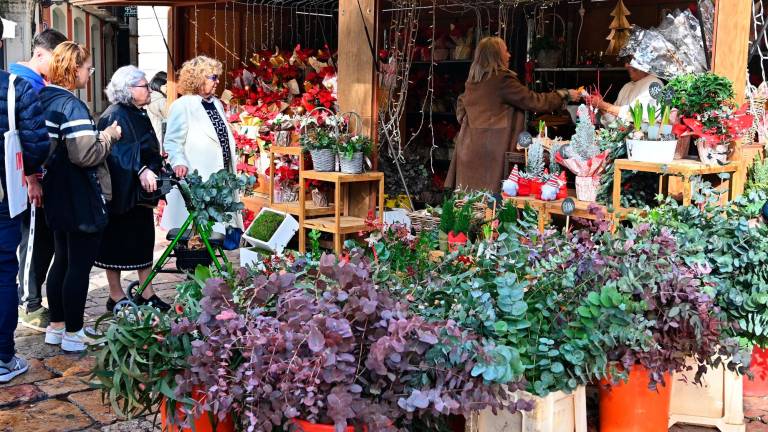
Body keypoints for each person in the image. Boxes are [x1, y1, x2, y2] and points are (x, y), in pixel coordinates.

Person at [38, 42, 122, 352]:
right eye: (88, 67)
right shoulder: (71, 105)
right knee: (79, 265)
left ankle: (57, 326)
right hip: (79, 194)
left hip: (55, 190)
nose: (90, 72)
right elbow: (85, 154)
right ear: (76, 69)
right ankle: (74, 333)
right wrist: (108, 136)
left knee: (61, 258)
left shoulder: (43, 98)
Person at [445, 36, 579, 193]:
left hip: (469, 151)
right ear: (496, 55)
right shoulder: (502, 80)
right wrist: (564, 94)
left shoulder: (473, 81)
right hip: (492, 155)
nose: (509, 55)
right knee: (493, 206)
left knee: (470, 207)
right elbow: (534, 101)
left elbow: (461, 106)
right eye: (506, 51)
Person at [0, 19, 51, 382]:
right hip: (3, 194)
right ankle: (3, 358)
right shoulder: (14, 88)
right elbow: (35, 148)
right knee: (4, 270)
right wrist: (30, 171)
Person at [95, 66, 169, 313]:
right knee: (114, 245)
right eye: (144, 86)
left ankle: (146, 292)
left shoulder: (139, 112)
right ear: (128, 90)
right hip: (121, 194)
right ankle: (115, 295)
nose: (149, 89)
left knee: (143, 241)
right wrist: (140, 169)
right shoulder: (114, 114)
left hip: (140, 195)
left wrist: (155, 165)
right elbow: (113, 154)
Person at [10, 29, 68, 332]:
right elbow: (23, 139)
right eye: (57, 59)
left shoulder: (36, 83)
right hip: (29, 179)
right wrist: (32, 178)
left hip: (39, 177)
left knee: (41, 240)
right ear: (41, 54)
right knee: (31, 240)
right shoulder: (23, 84)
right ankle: (28, 303)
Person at [161, 55, 242, 231]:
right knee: (197, 232)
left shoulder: (216, 104)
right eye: (213, 77)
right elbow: (173, 141)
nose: (217, 81)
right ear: (198, 78)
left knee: (217, 231)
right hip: (198, 178)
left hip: (221, 176)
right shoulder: (183, 105)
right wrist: (178, 162)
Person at [590, 57, 663, 127]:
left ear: (643, 62)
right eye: (626, 61)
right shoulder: (626, 87)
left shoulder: (655, 84)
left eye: (630, 61)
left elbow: (635, 115)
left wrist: (603, 105)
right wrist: (600, 106)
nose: (626, 65)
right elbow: (613, 123)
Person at [146, 71, 168, 145]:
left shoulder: (151, 97)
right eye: (167, 85)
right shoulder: (159, 100)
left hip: (154, 139)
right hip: (160, 140)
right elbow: (171, 115)